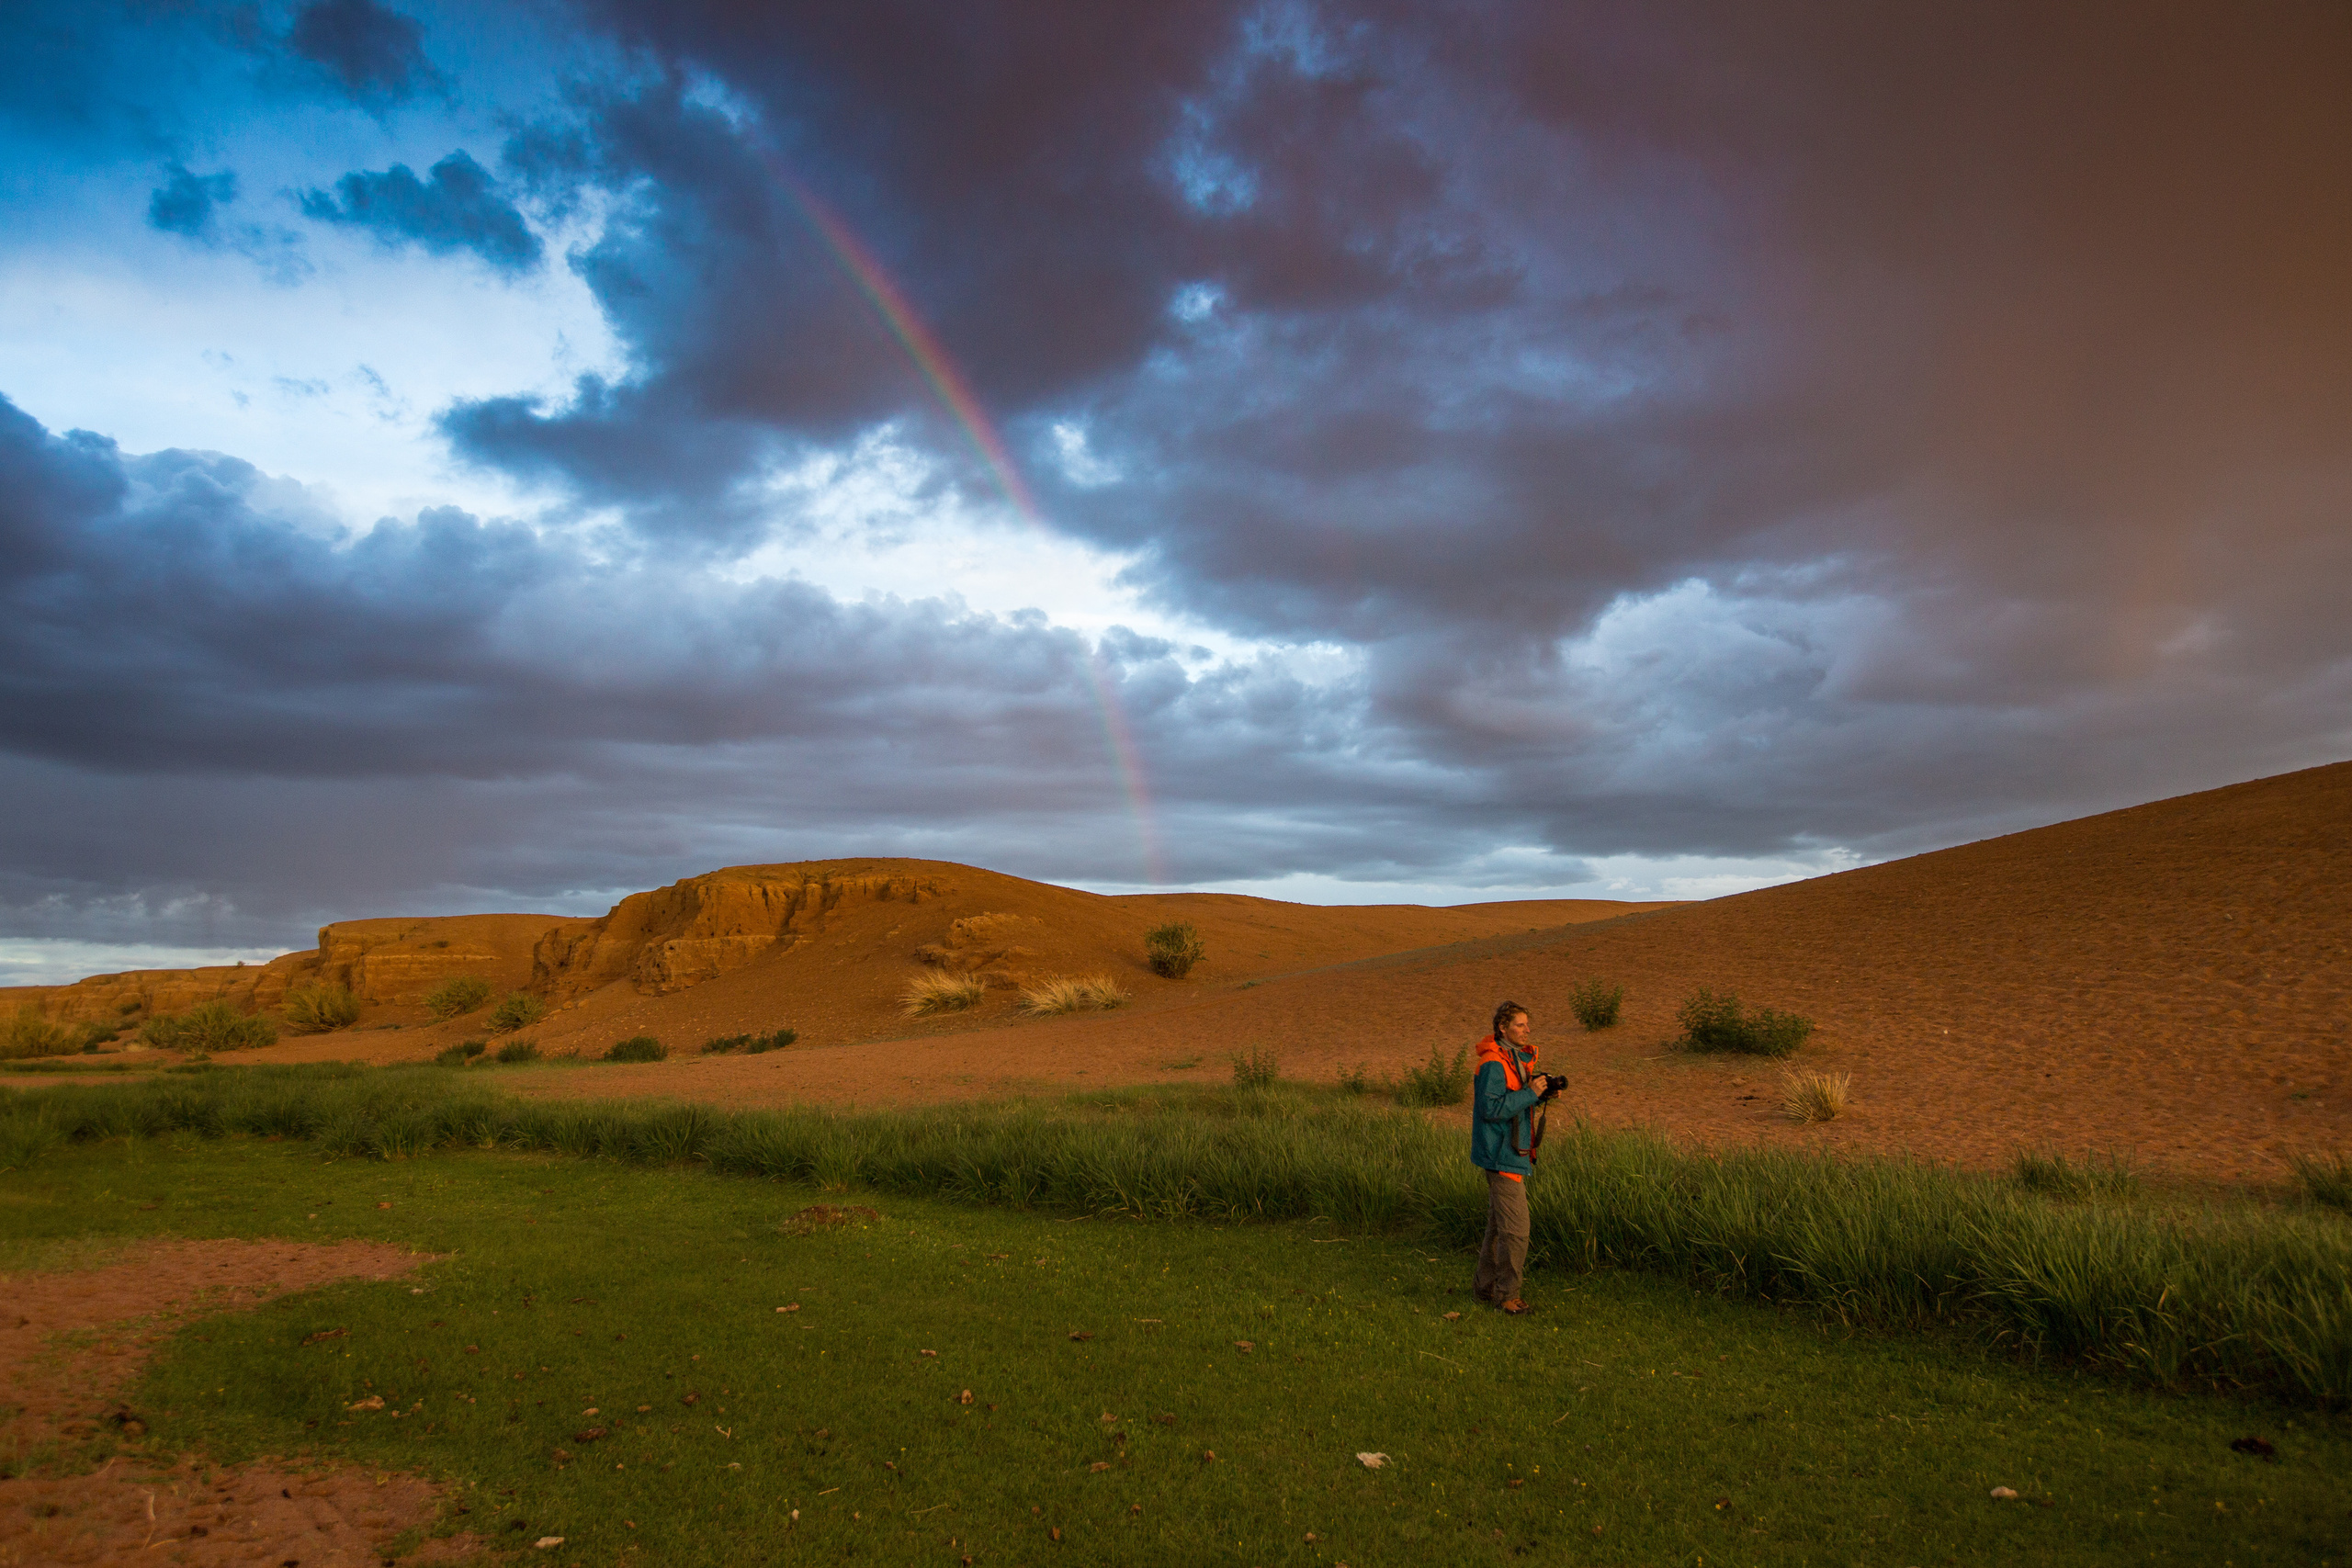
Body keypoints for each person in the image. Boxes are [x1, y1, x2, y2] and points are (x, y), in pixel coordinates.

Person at [1470, 999, 1557, 1314]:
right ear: (1503, 1029)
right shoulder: (1494, 1063)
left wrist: (1539, 1093)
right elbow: (1490, 1109)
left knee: (1498, 1226)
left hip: (1511, 1151)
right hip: (1500, 1153)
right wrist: (1530, 1094)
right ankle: (1507, 1296)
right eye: (1520, 1024)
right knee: (1517, 1230)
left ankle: (1485, 1286)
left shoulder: (1514, 1060)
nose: (1527, 1030)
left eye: (1527, 1024)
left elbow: (1512, 1100)